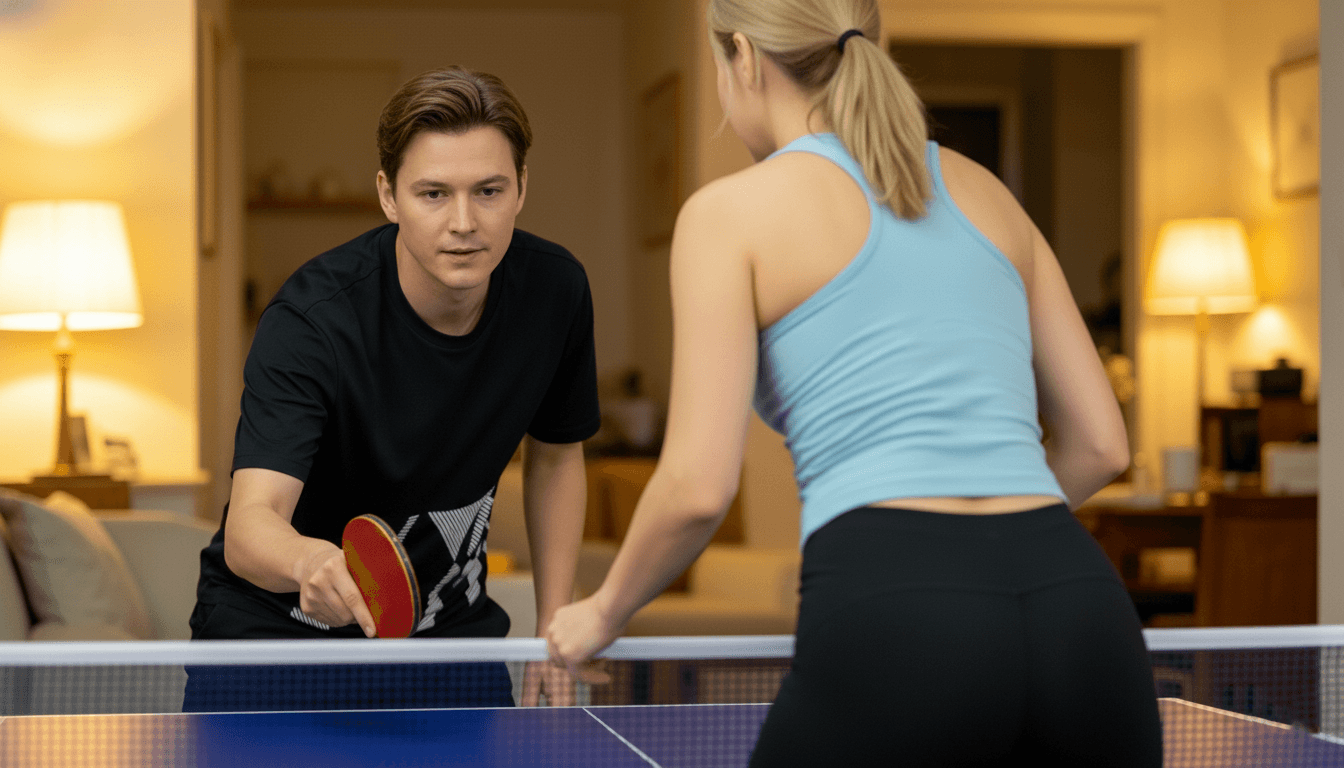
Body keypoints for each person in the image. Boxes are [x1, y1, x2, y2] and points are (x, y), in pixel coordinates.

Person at [545, 1, 1163, 765]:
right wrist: (987, 543)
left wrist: (600, 613)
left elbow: (699, 486)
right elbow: (1102, 445)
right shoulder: (986, 190)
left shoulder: (728, 215)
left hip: (896, 610)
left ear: (741, 56)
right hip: (1079, 606)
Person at [186, 66, 599, 712]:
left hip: (447, 642)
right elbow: (250, 525)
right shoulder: (312, 320)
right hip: (276, 644)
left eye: (488, 190)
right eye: (433, 194)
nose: (464, 221)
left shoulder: (557, 294)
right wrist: (305, 563)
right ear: (388, 195)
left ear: (522, 188)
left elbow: (557, 454)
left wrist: (555, 623)